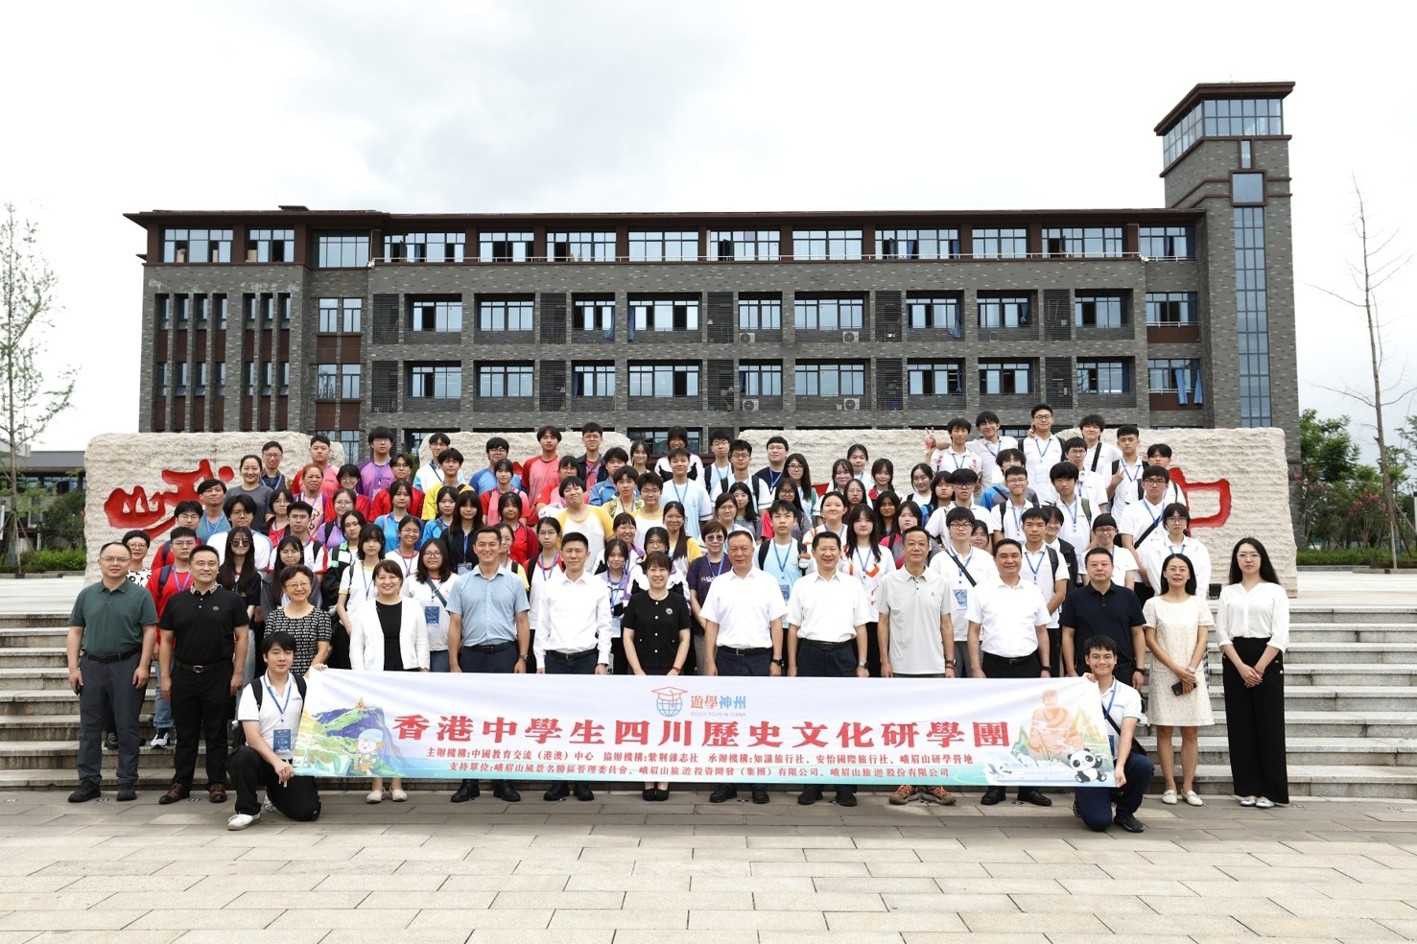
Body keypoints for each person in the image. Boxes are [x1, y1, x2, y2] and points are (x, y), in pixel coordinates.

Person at [65, 542, 158, 803]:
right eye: (109, 558)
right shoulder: (87, 595)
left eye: (121, 559)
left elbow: (149, 630)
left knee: (127, 725)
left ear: (129, 563)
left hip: (126, 664)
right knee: (90, 726)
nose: (115, 563)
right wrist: (73, 668)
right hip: (91, 665)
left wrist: (143, 665)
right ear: (100, 562)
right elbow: (75, 631)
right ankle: (89, 781)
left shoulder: (141, 595)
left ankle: (126, 780)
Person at [157, 546, 249, 805]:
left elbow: (243, 638)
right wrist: (165, 677)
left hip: (219, 674)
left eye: (211, 563)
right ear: (190, 567)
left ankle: (216, 782)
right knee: (184, 732)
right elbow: (166, 641)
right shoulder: (176, 601)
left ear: (218, 568)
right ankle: (181, 783)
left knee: (216, 731)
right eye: (200, 563)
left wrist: (238, 673)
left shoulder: (231, 600)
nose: (206, 568)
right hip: (183, 674)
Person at [701, 530, 787, 805]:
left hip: (760, 659)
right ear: (728, 552)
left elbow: (776, 623)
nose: (739, 554)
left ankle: (758, 783)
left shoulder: (767, 582)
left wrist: (776, 660)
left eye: (744, 548)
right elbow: (711, 624)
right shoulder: (719, 584)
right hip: (727, 658)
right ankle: (727, 782)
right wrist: (710, 660)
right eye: (734, 549)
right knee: (728, 723)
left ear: (753, 550)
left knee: (759, 722)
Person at [786, 532, 872, 807]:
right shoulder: (802, 585)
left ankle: (844, 786)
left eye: (832, 549)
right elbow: (794, 628)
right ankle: (812, 785)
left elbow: (861, 627)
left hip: (843, 655)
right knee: (811, 722)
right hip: (810, 654)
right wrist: (793, 665)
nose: (827, 554)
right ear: (813, 552)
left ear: (840, 552)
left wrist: (862, 663)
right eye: (822, 549)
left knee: (844, 722)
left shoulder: (852, 585)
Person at [965, 538, 1052, 807]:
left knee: (1031, 728)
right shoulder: (982, 590)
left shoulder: (1033, 591)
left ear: (1021, 559)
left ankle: (1029, 788)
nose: (1010, 560)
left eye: (1015, 555)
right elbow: (973, 631)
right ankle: (996, 786)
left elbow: (1042, 631)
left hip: (1028, 665)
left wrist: (1045, 667)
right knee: (997, 727)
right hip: (995, 665)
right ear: (995, 560)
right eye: (1003, 556)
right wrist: (976, 668)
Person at [448, 526, 532, 803]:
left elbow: (522, 622)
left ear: (501, 547)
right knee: (469, 718)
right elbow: (455, 624)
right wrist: (454, 663)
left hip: (505, 655)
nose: (487, 549)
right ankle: (469, 781)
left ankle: (502, 780)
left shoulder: (514, 581)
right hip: (472, 655)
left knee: (503, 719)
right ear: (474, 548)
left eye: (492, 544)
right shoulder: (461, 583)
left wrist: (522, 657)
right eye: (481, 544)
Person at [876, 526, 956, 806]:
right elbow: (883, 623)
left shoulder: (940, 582)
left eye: (922, 543)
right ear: (903, 547)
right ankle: (906, 781)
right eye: (911, 543)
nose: (917, 548)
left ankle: (934, 782)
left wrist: (949, 663)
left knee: (933, 727)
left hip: (933, 666)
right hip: (900, 667)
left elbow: (947, 624)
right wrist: (885, 660)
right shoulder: (889, 581)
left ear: (928, 548)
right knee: (904, 728)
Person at [534, 531, 611, 802]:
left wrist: (602, 661)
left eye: (579, 551)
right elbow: (542, 627)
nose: (574, 555)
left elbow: (605, 627)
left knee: (583, 723)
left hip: (586, 660)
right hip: (555, 660)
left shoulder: (598, 586)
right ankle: (558, 782)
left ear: (588, 554)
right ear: (561, 554)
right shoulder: (550, 586)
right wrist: (540, 661)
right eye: (569, 551)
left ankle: (582, 781)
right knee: (556, 722)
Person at [1216, 538, 1290, 808]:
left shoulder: (1275, 591)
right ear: (1236, 560)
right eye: (1243, 555)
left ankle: (1271, 791)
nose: (1248, 559)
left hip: (1267, 658)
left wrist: (1257, 669)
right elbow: (1222, 634)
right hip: (1235, 659)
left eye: (1254, 555)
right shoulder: (1228, 593)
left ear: (1262, 559)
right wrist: (1240, 667)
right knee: (1240, 725)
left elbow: (1280, 635)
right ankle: (1246, 788)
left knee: (1269, 726)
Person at [349, 560, 429, 803]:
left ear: (400, 581)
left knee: (398, 729)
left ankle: (396, 783)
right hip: (374, 676)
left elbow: (422, 640)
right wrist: (360, 677)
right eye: (382, 577)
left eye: (392, 577)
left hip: (406, 673)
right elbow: (356, 647)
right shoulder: (364, 609)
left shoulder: (413, 606)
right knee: (374, 729)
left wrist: (423, 670)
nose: (387, 582)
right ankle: (376, 784)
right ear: (375, 581)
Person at [226, 631, 322, 829]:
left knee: (307, 811)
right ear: (265, 657)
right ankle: (248, 810)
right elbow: (252, 737)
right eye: (276, 653)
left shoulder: (303, 685)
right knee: (241, 755)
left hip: (292, 761)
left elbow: (327, 708)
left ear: (293, 656)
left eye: (287, 653)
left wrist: (324, 676)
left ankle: (274, 796)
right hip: (262, 760)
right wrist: (276, 762)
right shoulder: (253, 690)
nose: (282, 658)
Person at [622, 551, 693, 800]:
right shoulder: (636, 601)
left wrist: (675, 669)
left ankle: (663, 780)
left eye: (662, 569)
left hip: (669, 674)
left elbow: (685, 638)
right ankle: (647, 778)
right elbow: (627, 637)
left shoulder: (678, 602)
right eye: (652, 569)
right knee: (644, 728)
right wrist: (637, 671)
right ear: (646, 573)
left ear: (669, 573)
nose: (657, 574)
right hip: (641, 672)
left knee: (668, 729)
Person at [1144, 552, 1214, 807]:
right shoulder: (1153, 604)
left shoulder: (1198, 603)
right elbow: (1150, 640)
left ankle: (1188, 786)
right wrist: (1176, 669)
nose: (1177, 572)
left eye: (1182, 569)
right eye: (1172, 568)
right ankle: (1170, 785)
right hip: (1165, 673)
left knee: (1190, 731)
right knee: (1164, 730)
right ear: (1164, 573)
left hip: (1192, 672)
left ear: (1189, 574)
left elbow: (1203, 638)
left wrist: (1190, 670)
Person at [1074, 635, 1153, 833]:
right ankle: (1085, 800)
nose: (1102, 661)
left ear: (1115, 659)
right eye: (1096, 656)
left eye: (1107, 656)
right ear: (1087, 659)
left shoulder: (1129, 694)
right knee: (1099, 823)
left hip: (1118, 757)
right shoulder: (1077, 690)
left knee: (1143, 766)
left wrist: (1119, 766)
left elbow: (1127, 734)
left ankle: (1125, 812)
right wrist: (1081, 685)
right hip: (1089, 764)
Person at [1059, 547, 1147, 685]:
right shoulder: (1075, 598)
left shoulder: (1128, 596)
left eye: (1104, 564)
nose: (1099, 568)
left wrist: (1139, 669)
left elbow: (1137, 633)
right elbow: (1067, 635)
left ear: (1113, 567)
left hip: (1123, 671)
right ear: (1086, 569)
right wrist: (1071, 671)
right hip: (1086, 672)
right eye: (1094, 565)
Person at [930, 507, 999, 680]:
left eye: (966, 524)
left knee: (978, 683)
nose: (961, 528)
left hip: (979, 634)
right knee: (950, 685)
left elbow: (994, 593)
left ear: (972, 528)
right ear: (948, 529)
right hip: (948, 634)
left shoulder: (985, 559)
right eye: (956, 524)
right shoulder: (938, 560)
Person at [263, 564, 332, 676]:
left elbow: (323, 650)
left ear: (311, 586)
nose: (299, 588)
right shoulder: (274, 617)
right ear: (284, 589)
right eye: (293, 585)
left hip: (312, 677)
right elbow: (268, 650)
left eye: (303, 584)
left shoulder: (322, 616)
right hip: (281, 677)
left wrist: (306, 678)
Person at [404, 538, 459, 673]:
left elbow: (462, 614)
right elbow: (403, 612)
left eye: (437, 553)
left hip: (445, 647)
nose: (432, 557)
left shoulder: (456, 581)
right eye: (428, 553)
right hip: (416, 645)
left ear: (444, 555)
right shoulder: (411, 581)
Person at [1138, 503, 1212, 597]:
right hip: (1163, 600)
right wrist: (1170, 598)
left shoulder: (1198, 547)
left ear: (1187, 521)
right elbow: (1155, 577)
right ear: (1165, 522)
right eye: (1172, 518)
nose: (1177, 523)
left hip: (1193, 601)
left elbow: (1203, 576)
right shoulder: (1155, 547)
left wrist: (1194, 599)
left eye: (1181, 518)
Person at [1023, 403, 1062, 504]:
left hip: (1055, 499)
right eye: (1039, 417)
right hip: (1029, 500)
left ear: (1052, 420)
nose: (1043, 420)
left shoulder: (1060, 443)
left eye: (1047, 417)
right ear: (1032, 421)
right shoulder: (1023, 443)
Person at [228, 453, 274, 526]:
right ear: (240, 470)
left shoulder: (268, 492)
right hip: (235, 533)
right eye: (246, 468)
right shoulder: (231, 492)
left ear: (261, 471)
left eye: (254, 469)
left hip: (259, 532)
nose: (250, 472)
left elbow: (270, 519)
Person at [358, 425, 397, 500]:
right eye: (378, 440)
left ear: (391, 444)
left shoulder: (398, 468)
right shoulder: (361, 469)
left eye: (386, 439)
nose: (382, 443)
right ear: (371, 444)